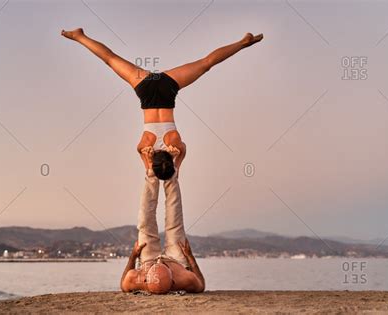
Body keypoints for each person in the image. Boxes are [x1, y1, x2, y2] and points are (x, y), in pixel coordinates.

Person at [61, 28, 263, 293]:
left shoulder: (175, 144)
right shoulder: (144, 147)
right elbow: (151, 168)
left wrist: (176, 162)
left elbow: (177, 161)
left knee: (204, 64)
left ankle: (242, 42)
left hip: (168, 87)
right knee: (113, 60)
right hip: (143, 86)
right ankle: (80, 37)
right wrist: (149, 166)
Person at [120, 238, 205, 294]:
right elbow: (201, 285)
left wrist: (134, 255)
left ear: (145, 279)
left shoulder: (134, 279)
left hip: (147, 260)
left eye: (155, 265)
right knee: (175, 222)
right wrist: (189, 256)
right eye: (163, 264)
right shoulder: (186, 279)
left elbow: (123, 285)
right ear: (173, 281)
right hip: (176, 261)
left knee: (145, 219)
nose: (159, 260)